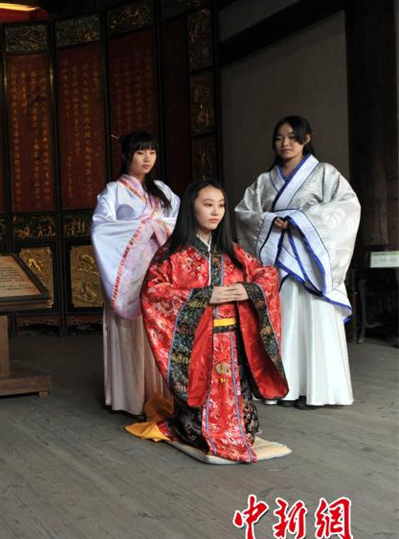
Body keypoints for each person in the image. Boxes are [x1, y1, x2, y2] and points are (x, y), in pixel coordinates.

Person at [137, 181, 288, 463]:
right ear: (191, 208)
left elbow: (266, 276)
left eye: (220, 205)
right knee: (198, 426)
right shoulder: (173, 256)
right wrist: (205, 296)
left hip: (234, 343)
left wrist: (250, 290)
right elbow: (153, 292)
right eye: (208, 204)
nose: (215, 212)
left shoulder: (234, 252)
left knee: (242, 423)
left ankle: (235, 427)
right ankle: (196, 426)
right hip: (198, 344)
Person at [235, 116, 360, 409]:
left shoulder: (325, 174)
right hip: (279, 260)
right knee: (285, 321)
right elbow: (244, 213)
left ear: (307, 138)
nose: (285, 143)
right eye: (279, 138)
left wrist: (301, 221)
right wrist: (268, 220)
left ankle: (319, 391)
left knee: (315, 319)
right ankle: (285, 387)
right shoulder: (265, 181)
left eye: (292, 137)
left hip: (311, 261)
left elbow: (347, 206)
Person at [90, 132, 180, 416]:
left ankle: (162, 391)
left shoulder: (163, 190)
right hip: (128, 273)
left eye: (152, 152)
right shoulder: (113, 192)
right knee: (131, 331)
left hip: (159, 268)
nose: (147, 158)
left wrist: (160, 226)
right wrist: (145, 228)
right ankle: (131, 396)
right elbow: (101, 230)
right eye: (141, 153)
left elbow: (179, 221)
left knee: (160, 327)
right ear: (126, 156)